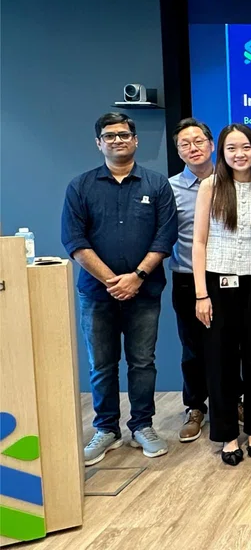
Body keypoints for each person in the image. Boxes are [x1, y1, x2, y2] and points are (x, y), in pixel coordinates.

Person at [61, 112, 177, 465]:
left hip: (145, 291)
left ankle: (142, 425)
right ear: (99, 143)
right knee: (101, 364)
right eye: (109, 136)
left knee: (143, 362)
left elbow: (165, 236)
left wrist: (136, 277)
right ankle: (106, 430)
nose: (118, 140)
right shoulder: (80, 187)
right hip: (97, 294)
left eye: (124, 134)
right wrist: (112, 280)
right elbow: (75, 241)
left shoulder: (156, 185)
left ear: (136, 140)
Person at [193, 124, 251, 465]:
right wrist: (200, 294)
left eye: (245, 147)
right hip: (217, 284)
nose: (239, 154)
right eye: (231, 149)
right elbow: (198, 241)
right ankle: (227, 435)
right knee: (220, 362)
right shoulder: (211, 186)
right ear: (222, 153)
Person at [168, 118, 215, 443]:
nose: (193, 148)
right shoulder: (168, 189)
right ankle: (196, 407)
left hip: (228, 277)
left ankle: (234, 401)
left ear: (211, 145)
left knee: (232, 345)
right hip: (187, 279)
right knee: (192, 348)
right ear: (179, 151)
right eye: (185, 144)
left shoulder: (231, 182)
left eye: (198, 141)